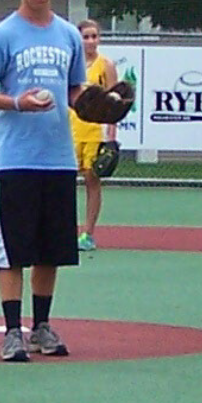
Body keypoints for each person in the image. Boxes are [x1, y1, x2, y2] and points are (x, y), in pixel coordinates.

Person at [0, 0, 87, 362]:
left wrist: (100, 104)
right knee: (13, 249)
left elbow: (75, 92)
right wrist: (18, 102)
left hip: (57, 157)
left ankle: (41, 326)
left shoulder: (69, 35)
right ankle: (11, 331)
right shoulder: (3, 35)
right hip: (16, 158)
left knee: (50, 248)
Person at [70, 18, 120, 251]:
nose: (91, 41)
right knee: (63, 181)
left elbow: (115, 103)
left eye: (94, 36)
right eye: (86, 36)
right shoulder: (72, 63)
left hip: (95, 131)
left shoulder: (106, 65)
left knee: (92, 179)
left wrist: (111, 136)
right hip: (71, 129)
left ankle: (87, 233)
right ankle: (62, 230)